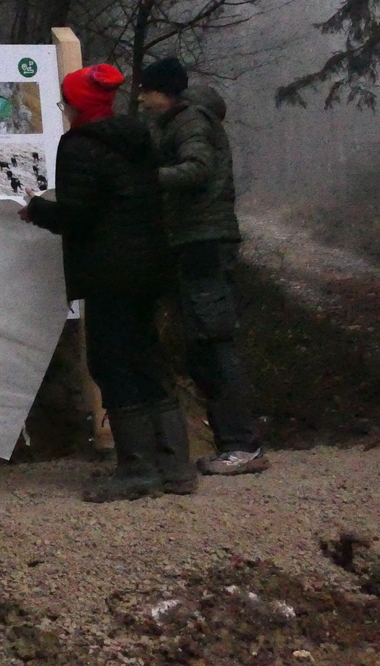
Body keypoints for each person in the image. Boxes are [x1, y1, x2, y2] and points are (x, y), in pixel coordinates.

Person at [21, 64, 196, 502]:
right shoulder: (137, 137)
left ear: (79, 106)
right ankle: (175, 465)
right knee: (146, 357)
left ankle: (137, 469)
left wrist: (37, 210)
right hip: (148, 265)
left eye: (65, 102)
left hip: (109, 269)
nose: (64, 109)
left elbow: (78, 214)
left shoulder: (79, 145)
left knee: (112, 362)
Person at [138, 57, 269, 476]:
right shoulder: (182, 120)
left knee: (214, 343)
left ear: (163, 92)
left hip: (203, 242)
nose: (142, 100)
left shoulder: (190, 121)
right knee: (204, 343)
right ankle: (235, 443)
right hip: (195, 241)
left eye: (146, 92)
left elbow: (197, 169)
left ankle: (242, 445)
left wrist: (143, 179)